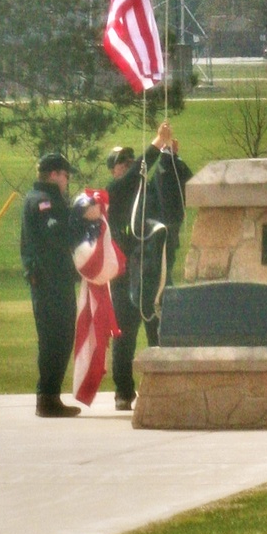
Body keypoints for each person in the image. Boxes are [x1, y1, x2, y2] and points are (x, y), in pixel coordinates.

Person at [104, 122, 193, 411]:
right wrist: (155, 145)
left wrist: (171, 159)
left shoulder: (148, 191)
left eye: (130, 163)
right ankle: (124, 391)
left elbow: (175, 192)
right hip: (124, 275)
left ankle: (160, 385)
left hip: (152, 272)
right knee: (124, 336)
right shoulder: (114, 192)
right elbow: (134, 178)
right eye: (122, 165)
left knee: (158, 330)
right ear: (114, 170)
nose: (127, 168)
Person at [21, 152, 101, 417]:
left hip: (55, 281)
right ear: (54, 174)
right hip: (49, 282)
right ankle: (47, 397)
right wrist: (81, 220)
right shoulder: (43, 202)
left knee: (60, 337)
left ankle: (49, 395)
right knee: (54, 339)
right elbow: (56, 233)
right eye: (65, 175)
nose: (67, 181)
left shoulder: (48, 199)